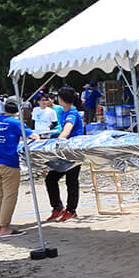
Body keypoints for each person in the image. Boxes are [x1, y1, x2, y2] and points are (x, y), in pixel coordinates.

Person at [45, 88, 86, 222]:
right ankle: (57, 208)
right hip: (64, 151)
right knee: (50, 179)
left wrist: (58, 141)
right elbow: (60, 128)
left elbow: (67, 130)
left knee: (71, 181)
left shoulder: (72, 113)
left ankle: (71, 210)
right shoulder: (63, 112)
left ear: (61, 99)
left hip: (73, 152)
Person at [0, 99, 26, 235]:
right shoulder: (15, 122)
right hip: (9, 163)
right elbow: (32, 136)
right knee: (9, 196)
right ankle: (4, 228)